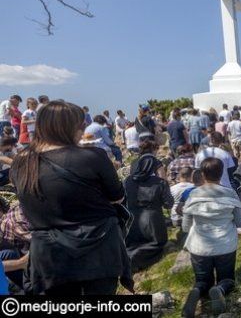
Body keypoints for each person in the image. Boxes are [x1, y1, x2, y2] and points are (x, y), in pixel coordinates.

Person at [11, 100, 132, 295]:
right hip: (97, 247)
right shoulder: (94, 156)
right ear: (70, 127)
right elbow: (117, 198)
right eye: (81, 124)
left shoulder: (21, 163)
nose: (84, 128)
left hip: (49, 253)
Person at [181, 158, 241, 317]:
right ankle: (220, 289)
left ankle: (197, 290)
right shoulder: (230, 193)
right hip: (225, 245)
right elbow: (240, 222)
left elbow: (185, 226)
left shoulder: (194, 194)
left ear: (202, 174)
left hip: (199, 247)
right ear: (221, 173)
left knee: (202, 280)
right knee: (228, 279)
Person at [124, 145, 173, 272]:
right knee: (157, 243)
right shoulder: (159, 182)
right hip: (152, 220)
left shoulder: (128, 181)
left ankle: (126, 256)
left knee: (133, 243)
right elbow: (169, 204)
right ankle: (134, 259)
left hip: (132, 219)